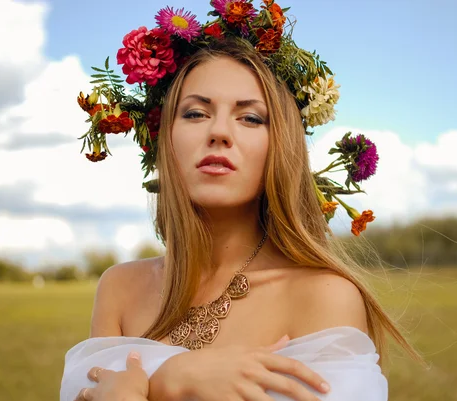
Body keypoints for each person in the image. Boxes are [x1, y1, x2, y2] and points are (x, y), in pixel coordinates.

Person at [62, 2, 421, 400]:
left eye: (250, 118)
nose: (219, 132)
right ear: (165, 140)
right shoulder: (120, 288)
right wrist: (176, 376)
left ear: (280, 146)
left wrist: (153, 384)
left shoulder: (323, 296)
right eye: (196, 113)